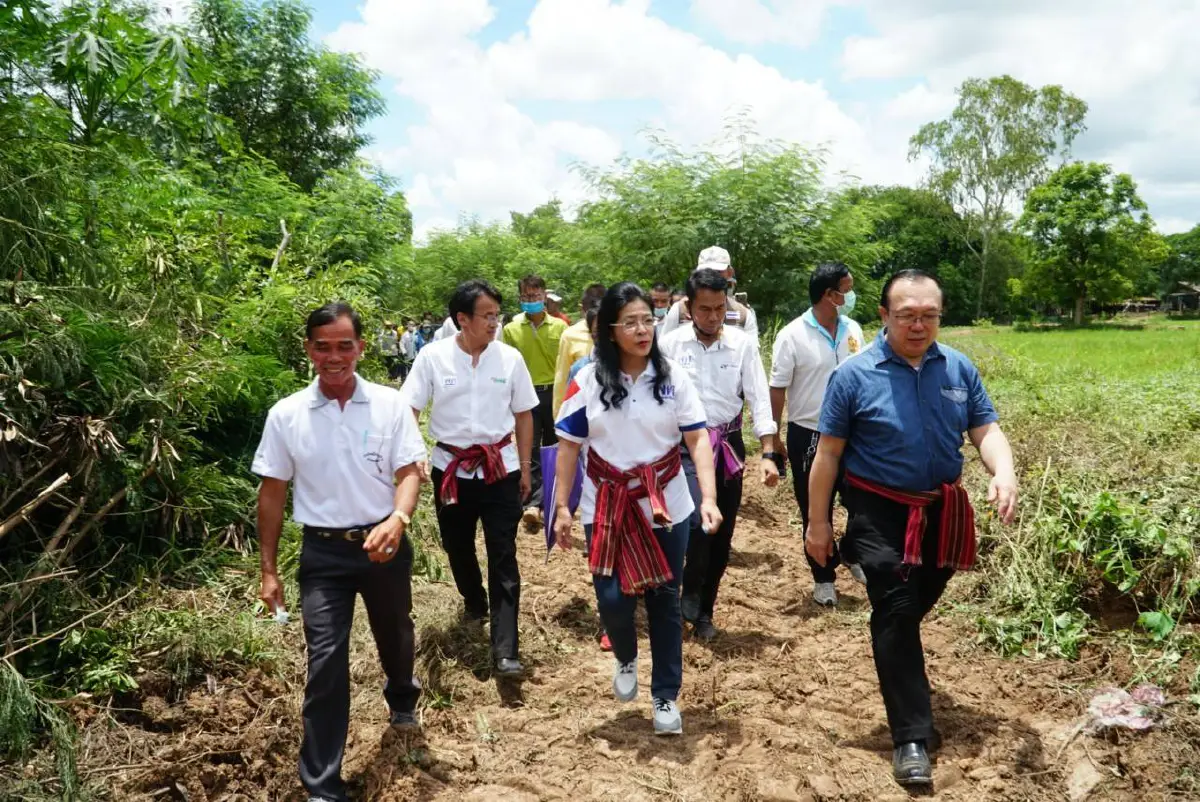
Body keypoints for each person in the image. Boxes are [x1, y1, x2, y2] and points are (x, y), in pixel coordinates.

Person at [808, 269, 1018, 786]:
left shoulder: (958, 368)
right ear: (884, 315)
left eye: (929, 315)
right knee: (898, 609)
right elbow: (827, 454)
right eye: (906, 316)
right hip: (878, 511)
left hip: (940, 509)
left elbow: (985, 428)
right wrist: (817, 523)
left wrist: (1004, 471)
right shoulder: (854, 376)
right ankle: (911, 738)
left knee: (909, 605)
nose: (918, 325)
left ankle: (892, 629)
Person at [252, 302, 424, 802]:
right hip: (323, 555)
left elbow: (410, 472)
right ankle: (323, 786)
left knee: (395, 631)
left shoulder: (389, 405)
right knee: (325, 661)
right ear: (309, 350)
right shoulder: (287, 415)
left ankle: (402, 696)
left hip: (384, 545)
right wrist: (268, 570)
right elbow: (272, 493)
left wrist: (397, 519)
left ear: (360, 348)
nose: (334, 357)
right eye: (322, 347)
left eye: (344, 346)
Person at [552, 282, 723, 736]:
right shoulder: (587, 379)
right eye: (630, 322)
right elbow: (568, 446)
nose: (643, 329)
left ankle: (665, 695)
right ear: (609, 330)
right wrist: (561, 506)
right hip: (605, 501)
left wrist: (707, 497)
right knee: (612, 598)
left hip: (665, 502)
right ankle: (626, 655)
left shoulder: (671, 377)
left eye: (648, 320)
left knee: (664, 600)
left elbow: (697, 438)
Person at [404, 280, 538, 677]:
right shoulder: (433, 357)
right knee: (457, 545)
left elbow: (524, 414)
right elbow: (409, 408)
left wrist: (525, 467)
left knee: (503, 553)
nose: (494, 322)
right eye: (487, 316)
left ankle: (506, 649)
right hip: (452, 468)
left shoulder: (510, 359)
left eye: (497, 315)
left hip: (500, 468)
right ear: (462, 319)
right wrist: (413, 455)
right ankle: (474, 601)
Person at [659, 269, 780, 641]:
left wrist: (769, 452)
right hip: (683, 448)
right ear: (688, 307)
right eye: (704, 309)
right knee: (698, 521)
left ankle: (704, 611)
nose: (713, 317)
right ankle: (685, 593)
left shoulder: (741, 345)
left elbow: (759, 398)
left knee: (722, 534)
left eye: (719, 308)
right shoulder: (670, 345)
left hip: (727, 446)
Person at [769, 262, 868, 607]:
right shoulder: (793, 335)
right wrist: (773, 437)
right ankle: (823, 578)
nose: (852, 296)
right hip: (809, 432)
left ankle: (852, 551)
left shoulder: (853, 329)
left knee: (862, 501)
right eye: (847, 290)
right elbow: (777, 388)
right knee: (815, 507)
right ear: (829, 295)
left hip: (854, 432)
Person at [502, 275, 568, 527]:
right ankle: (533, 503)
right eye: (526, 296)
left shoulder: (560, 327)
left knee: (554, 448)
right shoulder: (511, 329)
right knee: (529, 449)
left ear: (544, 296)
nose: (531, 300)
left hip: (554, 393)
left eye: (536, 296)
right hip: (526, 395)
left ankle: (553, 500)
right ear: (520, 298)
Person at [659, 246, 757, 339]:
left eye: (718, 271)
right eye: (707, 271)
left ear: (729, 273)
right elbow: (665, 346)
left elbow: (752, 348)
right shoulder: (679, 310)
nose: (712, 276)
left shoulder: (743, 315)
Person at [552, 283, 607, 416]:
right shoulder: (570, 335)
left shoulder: (618, 330)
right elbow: (562, 377)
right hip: (581, 408)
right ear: (583, 309)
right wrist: (559, 415)